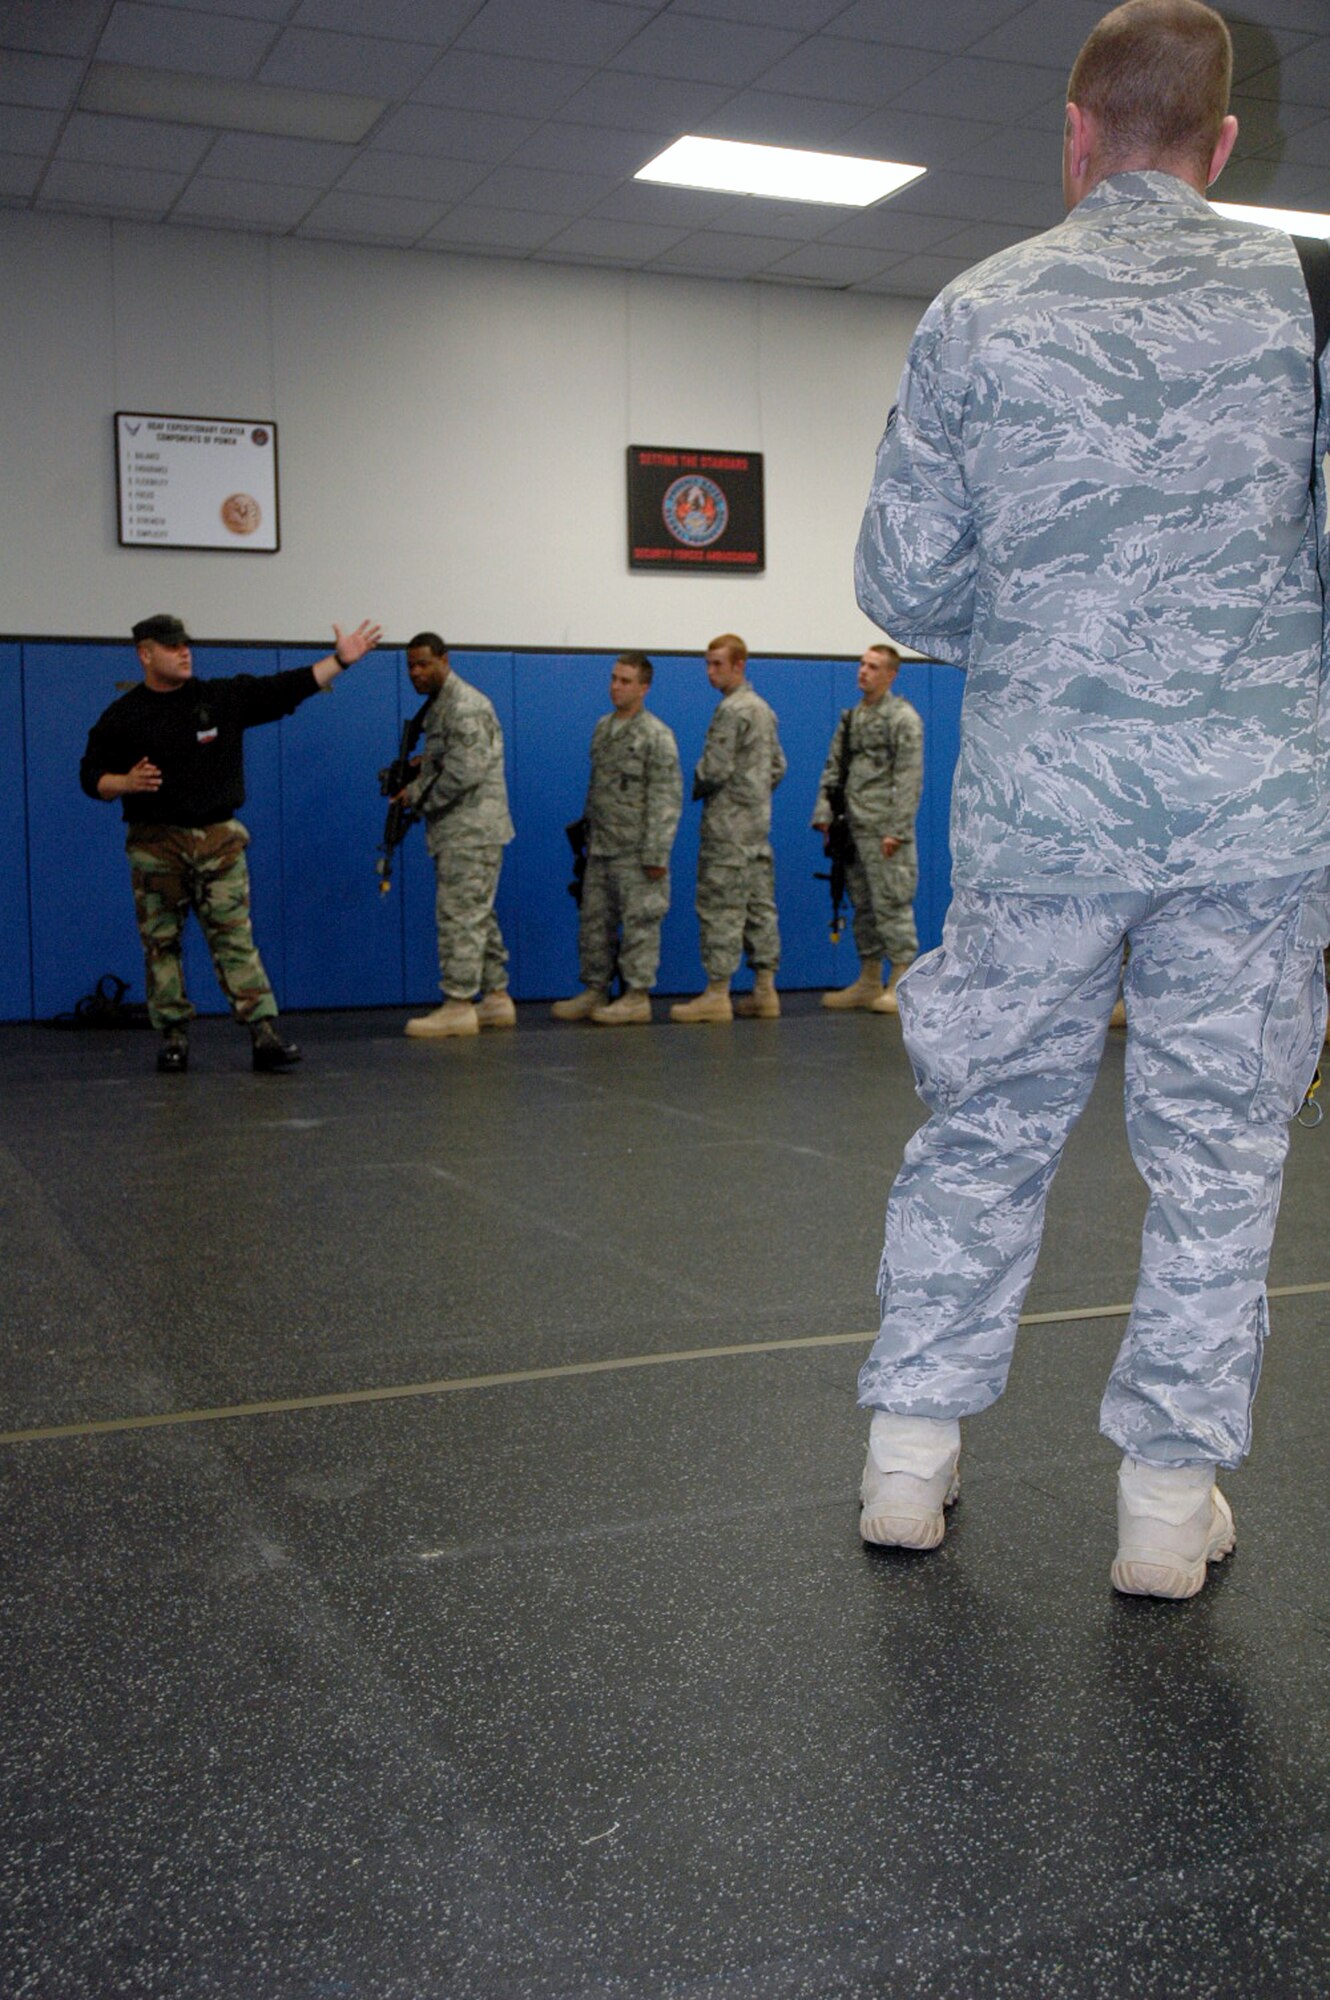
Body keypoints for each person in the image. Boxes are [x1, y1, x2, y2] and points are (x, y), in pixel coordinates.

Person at [853, 0, 1330, 1599]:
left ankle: (906, 1468)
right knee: (1216, 1157)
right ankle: (1159, 1509)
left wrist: (1053, 634)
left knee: (981, 1127)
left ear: (1072, 131)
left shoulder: (976, 308)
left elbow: (902, 586)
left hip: (1036, 814)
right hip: (1252, 819)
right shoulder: (1306, 300)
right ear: (1221, 142)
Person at [80, 611, 382, 1074]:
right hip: (156, 847)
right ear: (145, 654)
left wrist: (340, 661)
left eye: (186, 644)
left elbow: (284, 689)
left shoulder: (220, 699)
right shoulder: (124, 715)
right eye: (171, 646)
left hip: (219, 843)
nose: (184, 652)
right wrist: (122, 781)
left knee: (235, 941)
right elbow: (90, 777)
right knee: (161, 945)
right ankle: (174, 1037)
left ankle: (264, 1034)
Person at [551, 651, 682, 1026]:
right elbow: (597, 790)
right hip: (602, 848)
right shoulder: (603, 729)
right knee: (594, 924)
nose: (616, 686)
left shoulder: (656, 735)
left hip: (638, 852)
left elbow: (666, 796)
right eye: (613, 678)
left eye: (625, 681)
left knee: (640, 925)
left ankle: (636, 997)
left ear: (644, 688)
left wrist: (657, 852)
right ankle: (595, 990)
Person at [399, 633, 516, 1039]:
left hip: (471, 829)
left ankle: (458, 1005)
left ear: (444, 661)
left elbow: (465, 771)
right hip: (462, 829)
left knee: (460, 915)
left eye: (423, 664)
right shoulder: (441, 706)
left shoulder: (464, 706)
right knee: (477, 913)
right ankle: (496, 998)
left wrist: (414, 795)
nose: (416, 672)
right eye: (410, 665)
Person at [670, 634, 787, 1024]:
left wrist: (698, 782)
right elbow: (778, 767)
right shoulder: (764, 709)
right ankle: (765, 991)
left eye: (717, 664)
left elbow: (715, 768)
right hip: (756, 827)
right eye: (707, 664)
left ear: (739, 665)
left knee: (720, 907)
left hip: (727, 829)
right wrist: (752, 795)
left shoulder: (731, 711)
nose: (710, 672)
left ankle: (717, 993)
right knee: (759, 907)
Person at [812, 643, 924, 1013]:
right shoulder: (852, 719)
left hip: (884, 830)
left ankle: (902, 980)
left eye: (873, 666)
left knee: (891, 903)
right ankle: (869, 978)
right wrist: (825, 814)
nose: (863, 671)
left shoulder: (902, 718)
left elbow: (909, 778)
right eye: (861, 664)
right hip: (852, 828)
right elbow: (833, 768)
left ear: (890, 674)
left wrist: (898, 829)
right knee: (862, 904)